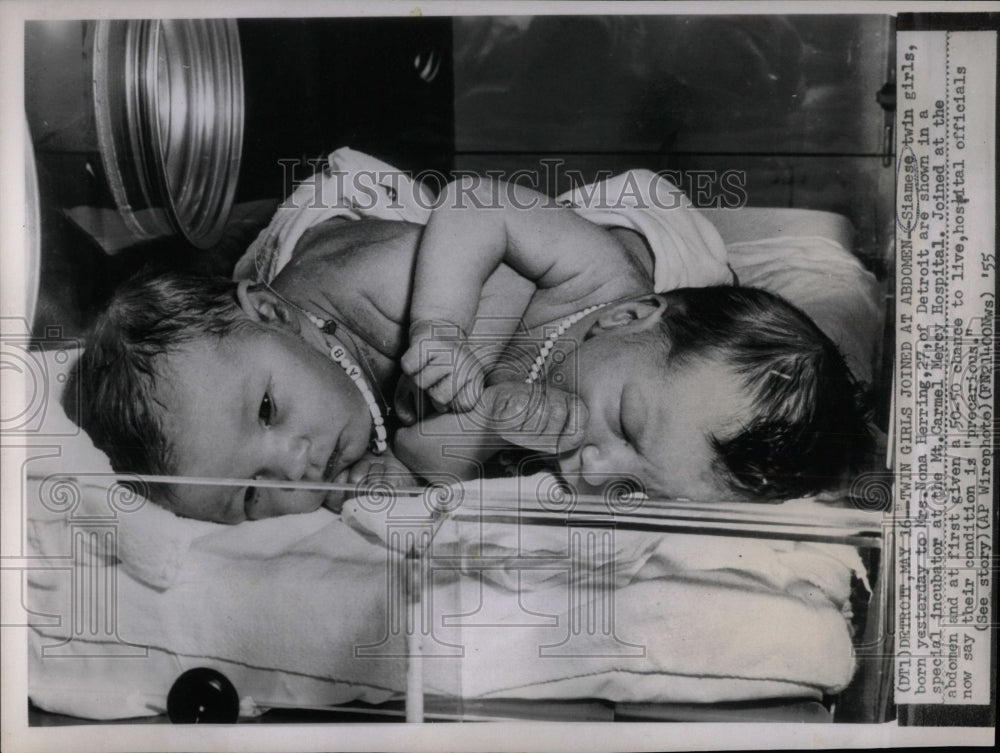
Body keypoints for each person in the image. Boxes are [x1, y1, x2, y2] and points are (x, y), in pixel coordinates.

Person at [66, 175, 870, 523]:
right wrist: (440, 328)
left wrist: (406, 466)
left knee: (743, 388)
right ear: (625, 320)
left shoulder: (602, 396)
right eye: (251, 494)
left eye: (626, 488)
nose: (299, 463)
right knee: (466, 257)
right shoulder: (603, 279)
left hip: (580, 301)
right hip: (642, 235)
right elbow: (476, 202)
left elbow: (443, 443)